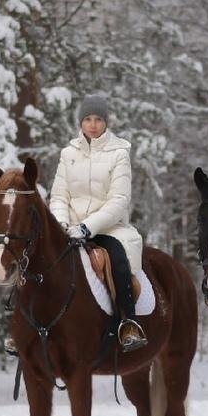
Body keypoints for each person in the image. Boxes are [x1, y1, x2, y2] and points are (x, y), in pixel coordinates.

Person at [48, 95, 148, 352]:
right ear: (81, 122)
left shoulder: (119, 153)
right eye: (88, 119)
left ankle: (128, 321)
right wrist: (61, 223)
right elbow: (59, 196)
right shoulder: (68, 153)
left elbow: (119, 200)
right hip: (69, 228)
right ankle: (26, 323)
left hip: (107, 229)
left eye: (98, 119)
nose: (93, 125)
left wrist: (87, 227)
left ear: (106, 122)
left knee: (117, 259)